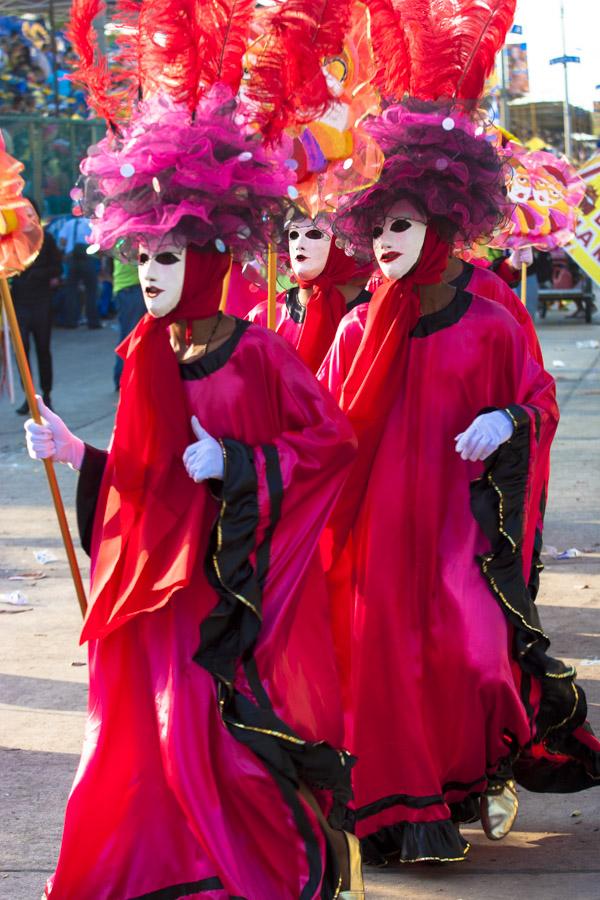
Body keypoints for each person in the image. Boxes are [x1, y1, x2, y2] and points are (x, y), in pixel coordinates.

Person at [24, 2, 363, 893]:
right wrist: (77, 455)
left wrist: (243, 466)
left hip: (225, 591)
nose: (151, 275)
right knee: (147, 732)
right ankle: (158, 860)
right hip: (150, 590)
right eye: (145, 256)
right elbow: (141, 479)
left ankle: (245, 860)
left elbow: (331, 445)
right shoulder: (144, 350)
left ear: (210, 262)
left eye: (171, 259)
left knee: (214, 735)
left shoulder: (257, 354)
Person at [319, 99, 600, 867]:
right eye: (375, 228)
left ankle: (476, 773)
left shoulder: (490, 321)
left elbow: (539, 400)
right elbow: (316, 424)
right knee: (384, 660)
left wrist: (509, 420)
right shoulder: (354, 327)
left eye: (401, 226)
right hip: (377, 530)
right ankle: (404, 806)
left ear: (440, 222)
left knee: (474, 652)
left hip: (459, 527)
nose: (385, 242)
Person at [248, 215, 371, 373]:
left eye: (314, 234)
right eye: (293, 235)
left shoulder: (371, 314)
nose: (299, 245)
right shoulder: (266, 315)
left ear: (341, 242)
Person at [11, 203, 62, 413]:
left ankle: (46, 395)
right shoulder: (12, 241)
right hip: (20, 303)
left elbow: (57, 268)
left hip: (41, 301)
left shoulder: (46, 239)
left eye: (30, 213)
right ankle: (29, 398)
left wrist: (40, 275)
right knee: (22, 353)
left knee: (43, 349)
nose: (27, 217)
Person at [111, 258, 145, 390]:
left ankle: (123, 379)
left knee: (129, 337)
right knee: (130, 338)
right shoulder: (130, 239)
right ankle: (123, 380)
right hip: (131, 289)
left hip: (127, 289)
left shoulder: (121, 239)